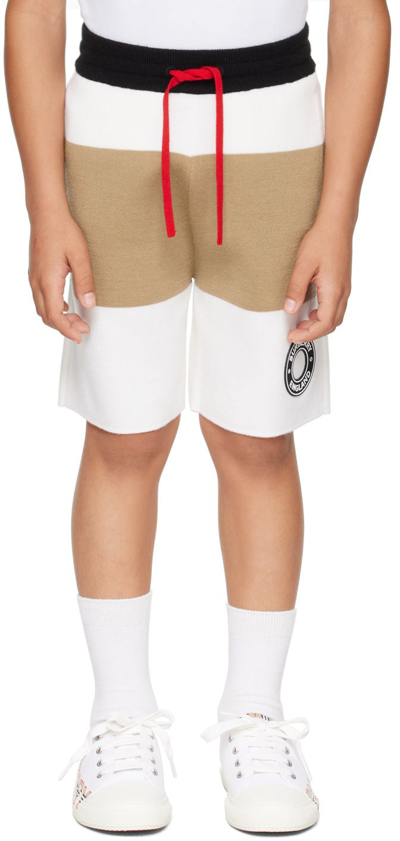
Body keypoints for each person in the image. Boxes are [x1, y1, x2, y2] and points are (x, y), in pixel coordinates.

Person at [5, 0, 390, 833]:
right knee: (123, 430)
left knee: (257, 437)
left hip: (274, 135)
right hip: (111, 129)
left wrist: (339, 214)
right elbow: (33, 12)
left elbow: (361, 17)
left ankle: (256, 713)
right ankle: (119, 716)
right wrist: (44, 203)